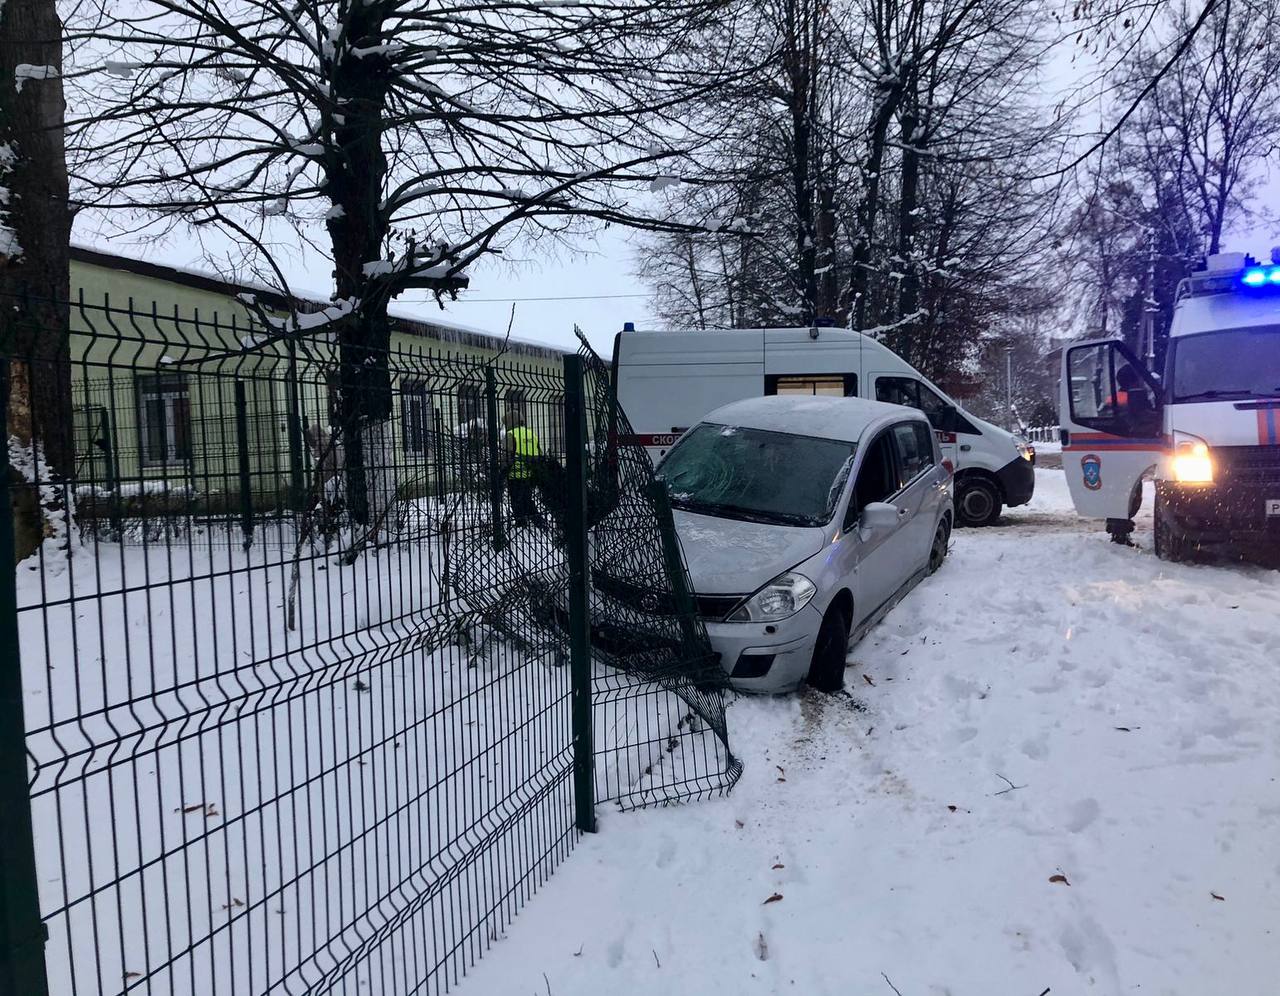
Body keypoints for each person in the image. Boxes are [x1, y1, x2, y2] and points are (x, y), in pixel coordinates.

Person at [504, 406, 542, 528]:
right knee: (527, 498)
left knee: (516, 501)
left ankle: (521, 523)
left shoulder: (510, 435)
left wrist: (501, 473)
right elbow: (539, 453)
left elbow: (505, 456)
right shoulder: (531, 433)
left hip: (515, 474)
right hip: (530, 473)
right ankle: (538, 521)